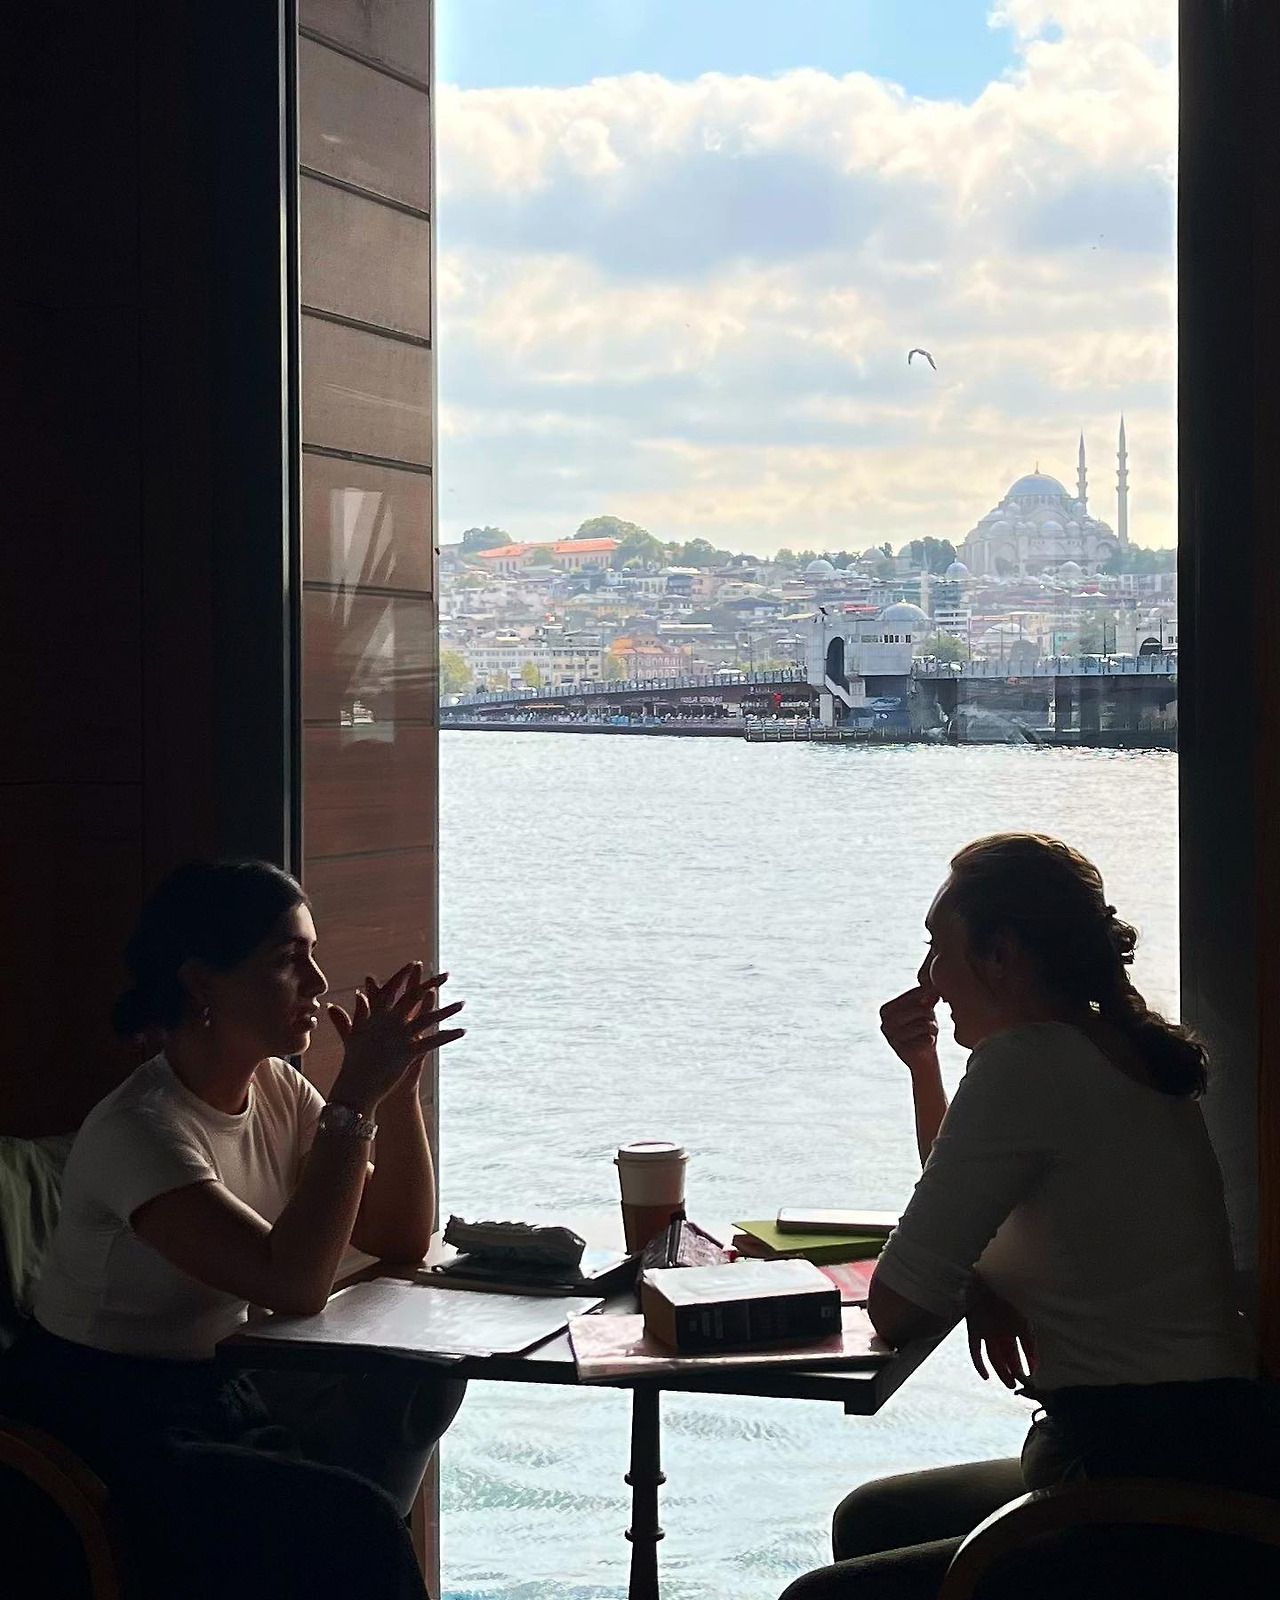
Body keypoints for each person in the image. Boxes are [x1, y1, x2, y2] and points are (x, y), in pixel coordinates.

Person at [781, 833, 1278, 1600]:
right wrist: (924, 1071)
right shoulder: (1106, 1045)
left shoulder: (1026, 1064)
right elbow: (974, 1209)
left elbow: (899, 1304)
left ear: (1002, 954)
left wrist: (964, 1279)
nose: (928, 978)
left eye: (938, 949)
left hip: (1135, 1488)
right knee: (873, 1518)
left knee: (819, 1598)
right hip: (1204, 1453)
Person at [2, 860, 467, 1600]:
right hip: (103, 1424)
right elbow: (293, 1283)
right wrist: (352, 1097)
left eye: (313, 956)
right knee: (358, 1522)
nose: (318, 983)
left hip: (219, 1392)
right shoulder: (141, 1130)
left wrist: (397, 1086)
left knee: (409, 1395)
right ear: (201, 982)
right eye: (288, 960)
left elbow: (399, 1238)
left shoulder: (275, 1087)